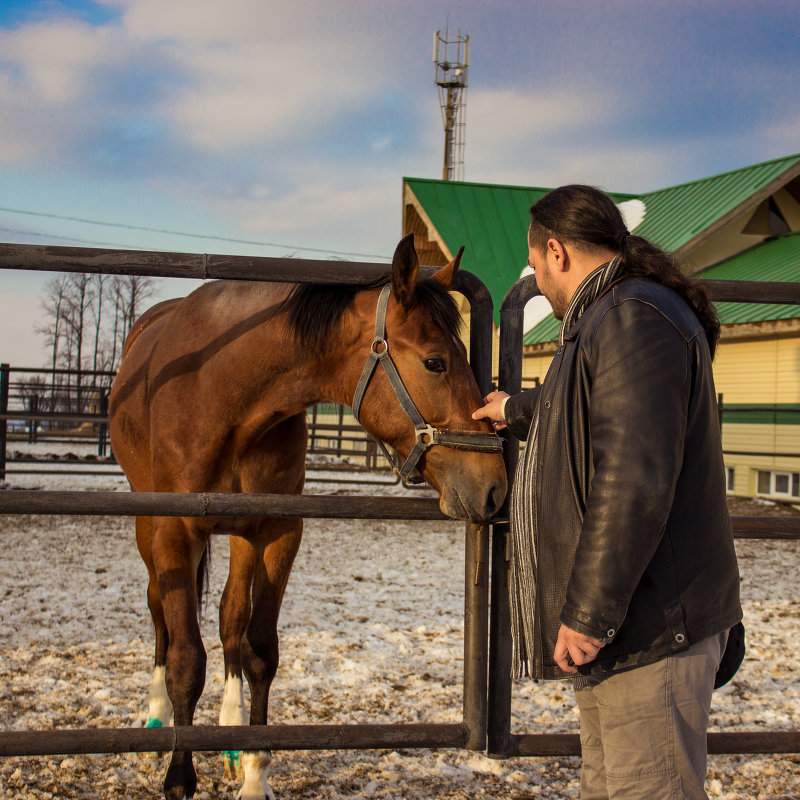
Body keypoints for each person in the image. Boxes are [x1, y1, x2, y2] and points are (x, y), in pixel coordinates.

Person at [473, 185, 742, 800]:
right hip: (631, 628)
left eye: (534, 264)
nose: (535, 279)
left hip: (646, 627)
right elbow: (586, 404)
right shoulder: (612, 317)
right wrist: (514, 408)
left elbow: (633, 477)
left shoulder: (630, 318)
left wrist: (589, 614)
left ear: (558, 252)